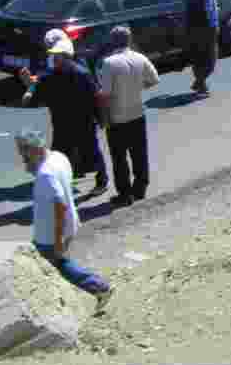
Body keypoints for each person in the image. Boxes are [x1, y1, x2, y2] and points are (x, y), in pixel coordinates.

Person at [16, 129, 113, 312]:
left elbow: (60, 205)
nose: (22, 156)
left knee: (57, 265)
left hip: (50, 234)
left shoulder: (46, 174)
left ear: (35, 148)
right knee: (58, 264)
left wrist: (58, 238)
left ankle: (99, 288)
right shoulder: (58, 157)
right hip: (69, 224)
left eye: (24, 150)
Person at [19, 30, 108, 195]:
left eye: (58, 56)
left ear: (67, 56)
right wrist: (29, 85)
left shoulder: (82, 74)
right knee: (59, 155)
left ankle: (102, 181)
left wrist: (101, 118)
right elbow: (38, 95)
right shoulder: (52, 76)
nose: (55, 59)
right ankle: (61, 185)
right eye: (54, 56)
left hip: (83, 122)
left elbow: (96, 97)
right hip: (61, 123)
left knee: (92, 151)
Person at [97, 26, 159, 207]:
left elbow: (105, 94)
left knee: (119, 158)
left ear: (112, 41)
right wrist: (137, 89)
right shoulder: (140, 58)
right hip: (138, 113)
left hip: (117, 117)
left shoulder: (109, 63)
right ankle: (140, 188)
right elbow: (154, 79)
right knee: (139, 154)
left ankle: (124, 194)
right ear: (129, 40)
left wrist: (104, 118)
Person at [186, 0, 219, 95]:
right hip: (207, 28)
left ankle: (201, 84)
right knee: (211, 57)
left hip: (193, 28)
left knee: (198, 57)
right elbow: (209, 10)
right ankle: (199, 81)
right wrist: (214, 27)